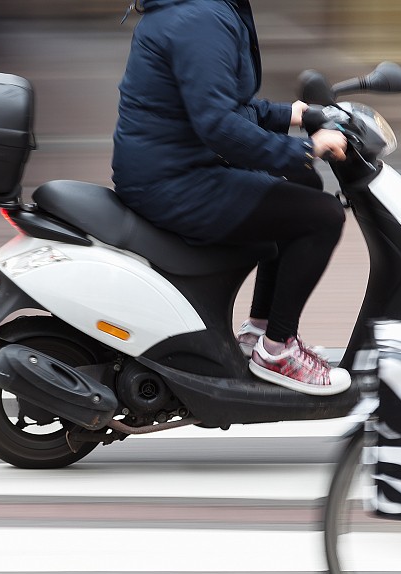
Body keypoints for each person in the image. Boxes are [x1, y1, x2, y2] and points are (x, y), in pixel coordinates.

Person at [112, 0, 351, 396]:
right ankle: (278, 352)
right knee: (323, 217)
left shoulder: (197, 9)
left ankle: (258, 332)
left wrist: (289, 115)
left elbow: (218, 103)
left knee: (301, 190)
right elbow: (218, 125)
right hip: (175, 182)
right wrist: (304, 150)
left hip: (171, 168)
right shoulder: (201, 17)